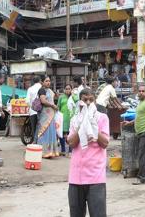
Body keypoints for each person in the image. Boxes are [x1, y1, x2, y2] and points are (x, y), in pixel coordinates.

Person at [67, 88, 110, 217]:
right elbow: (72, 143)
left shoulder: (102, 118)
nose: (88, 103)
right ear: (80, 102)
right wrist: (83, 124)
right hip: (76, 177)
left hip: (95, 177)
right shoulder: (75, 120)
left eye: (91, 100)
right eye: (85, 100)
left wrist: (92, 124)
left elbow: (104, 143)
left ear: (95, 102)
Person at [124, 85, 145, 185]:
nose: (141, 92)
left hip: (144, 133)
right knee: (144, 155)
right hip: (140, 132)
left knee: (142, 156)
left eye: (143, 91)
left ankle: (141, 178)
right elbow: (139, 117)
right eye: (140, 91)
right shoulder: (140, 103)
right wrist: (130, 122)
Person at [36, 75, 59, 158]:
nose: (48, 82)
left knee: (51, 132)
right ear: (42, 82)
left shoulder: (50, 90)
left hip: (51, 115)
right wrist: (53, 106)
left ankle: (50, 152)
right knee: (44, 132)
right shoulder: (42, 90)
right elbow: (43, 101)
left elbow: (52, 99)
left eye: (49, 81)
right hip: (45, 115)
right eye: (46, 81)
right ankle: (43, 152)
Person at [57, 84, 73, 156]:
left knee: (71, 134)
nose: (67, 90)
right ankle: (63, 150)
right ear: (64, 90)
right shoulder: (61, 97)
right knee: (62, 135)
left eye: (69, 89)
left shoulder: (73, 97)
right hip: (63, 118)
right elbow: (58, 107)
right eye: (66, 89)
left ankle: (70, 151)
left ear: (71, 89)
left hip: (71, 119)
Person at [25, 75, 42, 143]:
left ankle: (35, 143)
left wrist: (32, 107)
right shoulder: (42, 87)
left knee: (34, 128)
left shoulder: (30, 89)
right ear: (40, 80)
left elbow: (27, 101)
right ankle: (40, 143)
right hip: (41, 111)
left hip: (32, 112)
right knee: (41, 128)